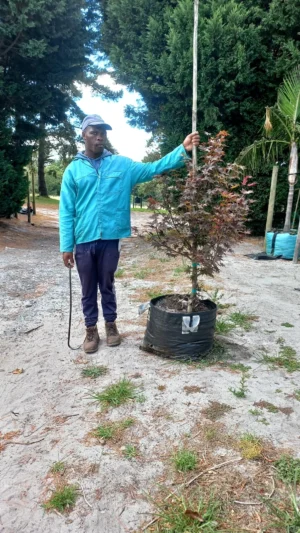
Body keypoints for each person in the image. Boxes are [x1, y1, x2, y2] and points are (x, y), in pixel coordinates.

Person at [59, 114, 200, 354]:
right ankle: (91, 329)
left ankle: (111, 325)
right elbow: (66, 210)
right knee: (87, 288)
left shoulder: (122, 165)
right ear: (83, 135)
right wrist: (66, 245)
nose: (100, 136)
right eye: (94, 132)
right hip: (83, 240)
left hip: (110, 238)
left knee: (107, 283)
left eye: (103, 132)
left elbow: (153, 168)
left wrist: (182, 150)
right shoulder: (73, 171)